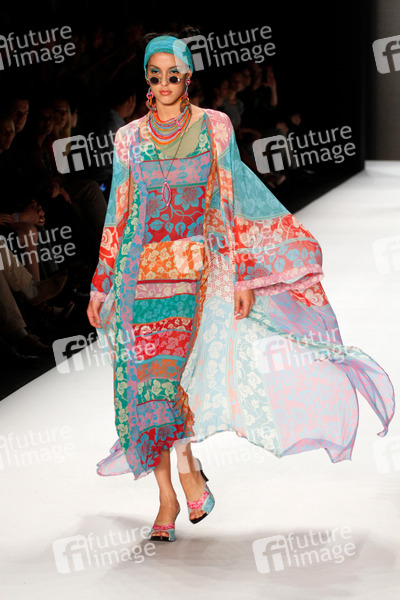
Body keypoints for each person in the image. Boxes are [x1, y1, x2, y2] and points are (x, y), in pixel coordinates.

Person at [87, 32, 395, 543]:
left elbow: (228, 205)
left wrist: (245, 275)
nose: (164, 84)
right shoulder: (129, 139)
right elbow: (118, 212)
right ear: (147, 80)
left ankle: (188, 472)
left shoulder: (215, 126)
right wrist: (101, 286)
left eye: (173, 74)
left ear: (188, 76)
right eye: (155, 75)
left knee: (172, 383)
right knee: (143, 389)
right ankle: (168, 495)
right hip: (137, 276)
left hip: (193, 276)